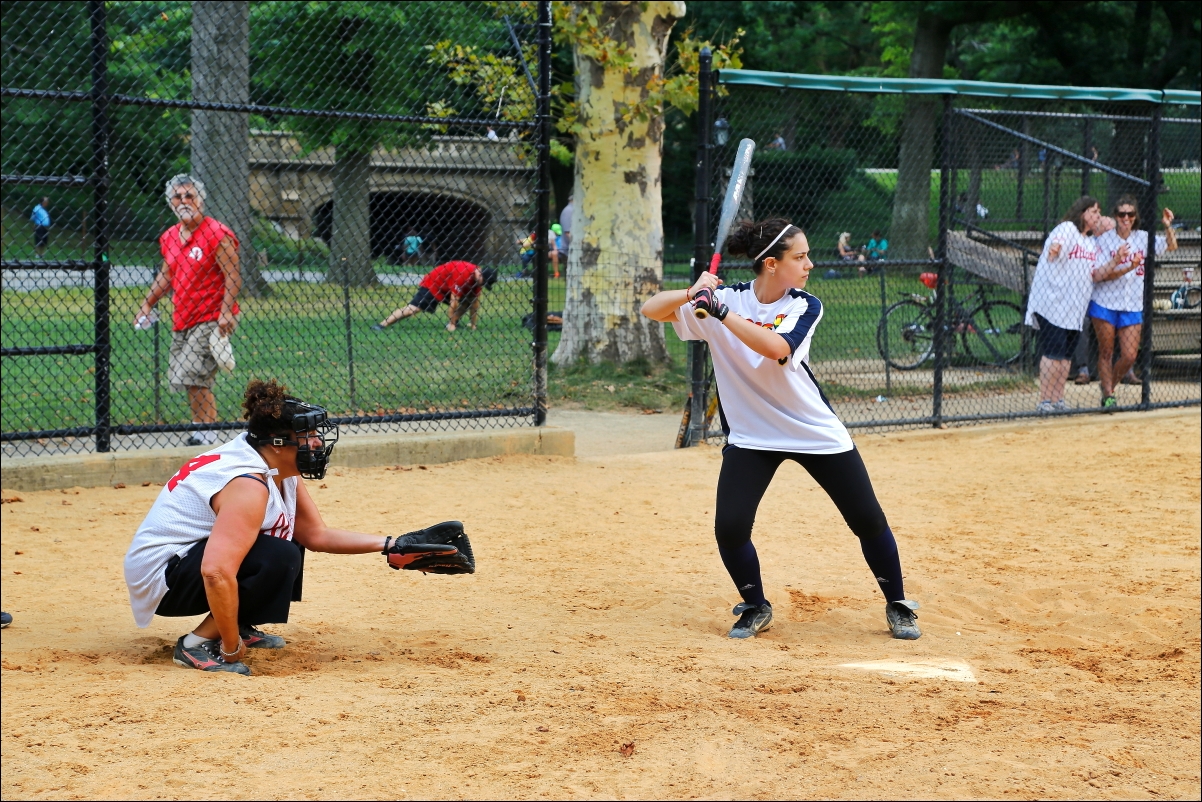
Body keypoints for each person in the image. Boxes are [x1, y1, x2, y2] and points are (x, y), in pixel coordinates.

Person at [640, 218, 922, 642]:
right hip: (752, 435)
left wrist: (720, 312)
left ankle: (898, 604)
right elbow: (651, 309)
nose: (809, 264)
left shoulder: (803, 305)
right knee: (730, 527)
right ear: (771, 263)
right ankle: (755, 606)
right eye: (800, 257)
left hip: (811, 430)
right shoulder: (725, 298)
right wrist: (691, 292)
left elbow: (776, 348)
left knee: (866, 518)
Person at [123, 379, 471, 675]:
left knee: (288, 542)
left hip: (185, 563)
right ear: (277, 442)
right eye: (307, 436)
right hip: (163, 578)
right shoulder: (248, 484)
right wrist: (230, 647)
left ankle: (235, 622)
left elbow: (315, 535)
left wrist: (392, 544)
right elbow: (215, 572)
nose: (317, 442)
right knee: (278, 554)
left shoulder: (272, 465)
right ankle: (196, 643)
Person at [136, 175, 241, 446]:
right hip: (183, 318)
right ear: (170, 202)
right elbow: (167, 274)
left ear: (200, 200)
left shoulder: (217, 234)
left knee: (194, 374)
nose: (183, 201)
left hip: (212, 316)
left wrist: (226, 312)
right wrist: (148, 303)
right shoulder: (170, 236)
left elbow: (233, 275)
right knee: (186, 376)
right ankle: (201, 431)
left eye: (189, 196)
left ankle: (206, 436)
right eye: (177, 197)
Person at [1024, 196, 1127, 413]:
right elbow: (1057, 243)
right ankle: (1044, 401)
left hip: (1074, 311)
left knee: (1065, 357)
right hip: (1052, 304)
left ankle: (1057, 400)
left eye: (1099, 212)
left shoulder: (1089, 243)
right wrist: (1055, 248)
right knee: (1053, 353)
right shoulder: (1068, 228)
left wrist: (1116, 261)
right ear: (1082, 213)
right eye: (1094, 212)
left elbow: (1096, 274)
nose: (1098, 216)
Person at [1089, 198, 1177, 408]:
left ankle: (1108, 387)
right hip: (1105, 302)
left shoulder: (1142, 238)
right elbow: (1101, 276)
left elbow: (1172, 246)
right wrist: (1126, 266)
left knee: (1129, 356)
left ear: (1135, 217)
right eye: (1121, 214)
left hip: (1132, 303)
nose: (1126, 218)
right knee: (1106, 352)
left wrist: (1167, 226)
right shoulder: (1104, 241)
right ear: (1115, 216)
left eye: (1130, 214)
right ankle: (1108, 396)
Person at [373, 261, 498, 332]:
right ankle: (382, 325)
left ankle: (454, 321)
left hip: (447, 288)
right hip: (434, 284)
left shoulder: (478, 281)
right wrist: (451, 325)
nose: (482, 285)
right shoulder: (463, 274)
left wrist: (473, 325)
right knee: (413, 309)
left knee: (469, 301)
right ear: (480, 274)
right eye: (484, 283)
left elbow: (475, 303)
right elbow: (454, 301)